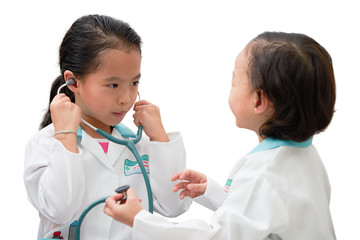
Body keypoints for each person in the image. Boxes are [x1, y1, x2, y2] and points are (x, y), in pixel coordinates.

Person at [104, 31, 337, 239]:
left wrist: (139, 220)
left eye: (234, 81)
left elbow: (218, 236)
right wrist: (214, 193)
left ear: (258, 101)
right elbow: (263, 216)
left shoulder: (261, 176)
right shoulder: (305, 156)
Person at [24, 14, 191, 240]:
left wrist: (160, 138)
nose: (126, 98)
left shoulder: (137, 144)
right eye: (113, 85)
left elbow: (174, 207)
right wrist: (65, 137)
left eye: (134, 83)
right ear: (73, 82)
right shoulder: (46, 143)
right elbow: (60, 209)